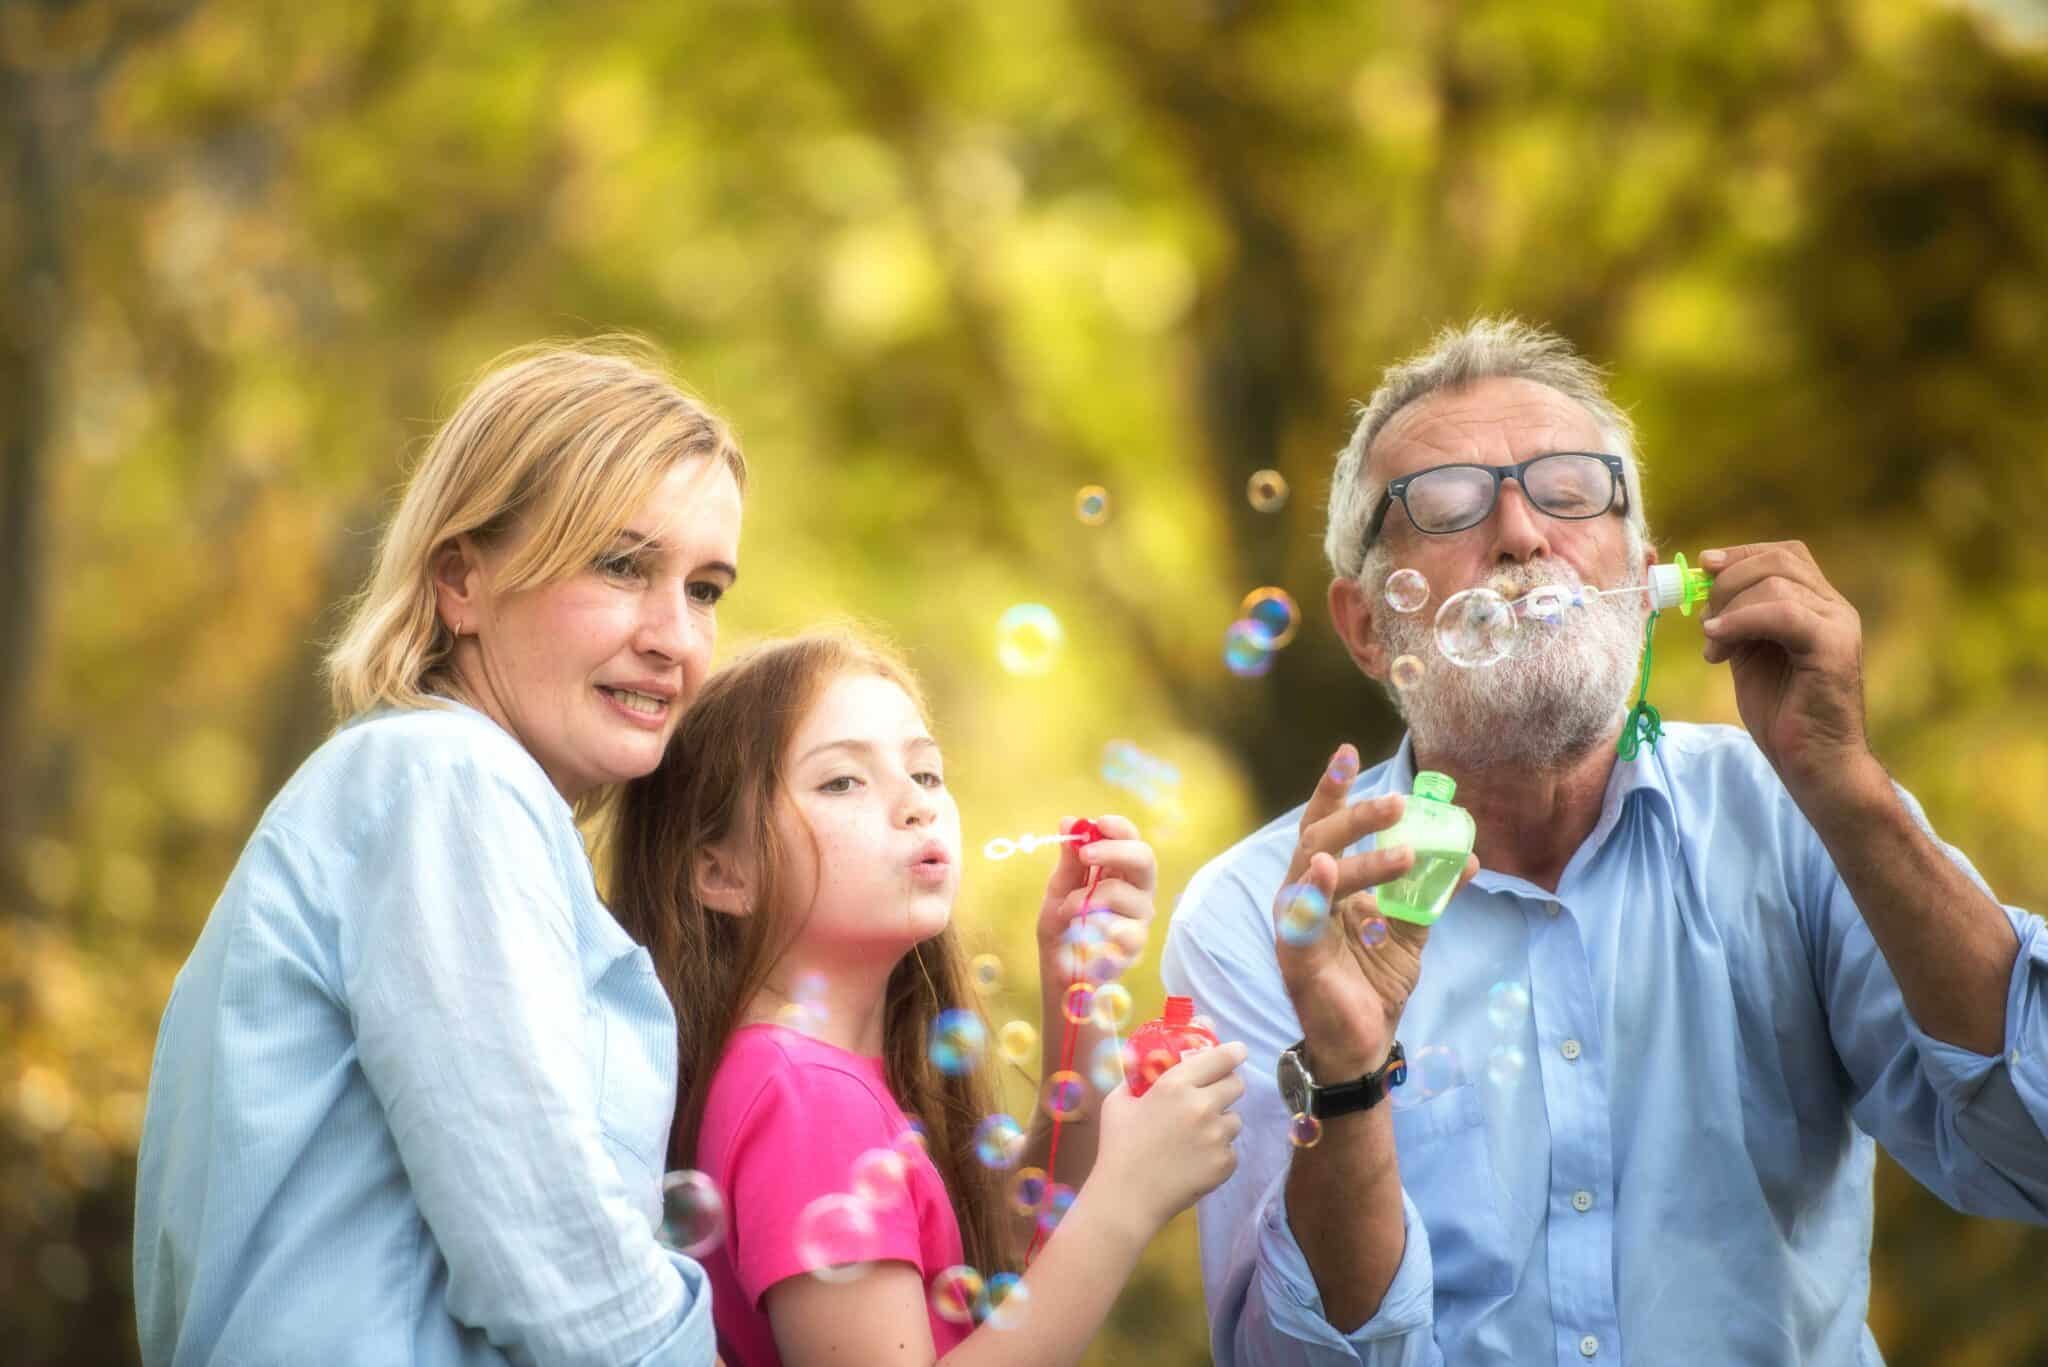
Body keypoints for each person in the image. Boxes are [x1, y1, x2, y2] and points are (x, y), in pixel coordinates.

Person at [1162, 317, 2048, 1364]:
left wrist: (1846, 786)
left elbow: (2026, 1151)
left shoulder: (1795, 811)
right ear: (1365, 624)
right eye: (1445, 500)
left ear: (1640, 570)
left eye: (1571, 488)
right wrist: (1346, 1072)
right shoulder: (1262, 913)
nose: (1520, 533)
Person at [134, 341, 746, 1365]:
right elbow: (552, 1258)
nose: (675, 636)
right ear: (461, 580)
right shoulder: (445, 784)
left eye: (706, 587)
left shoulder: (446, 800)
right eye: (620, 563)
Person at [608, 630, 1248, 1367]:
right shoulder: (808, 1095)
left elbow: (1012, 1245)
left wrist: (1079, 990)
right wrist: (1129, 1198)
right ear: (723, 873)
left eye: (926, 772)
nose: (916, 804)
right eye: (843, 781)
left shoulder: (821, 1078)